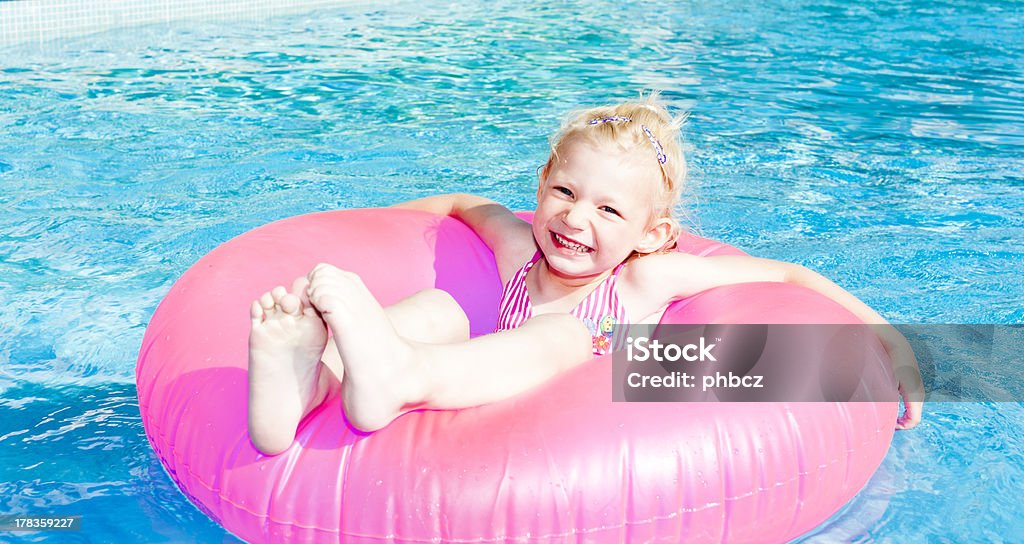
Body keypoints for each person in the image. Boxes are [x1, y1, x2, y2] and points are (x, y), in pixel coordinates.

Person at [247, 96, 924, 455]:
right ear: (542, 185)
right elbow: (463, 204)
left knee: (569, 339)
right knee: (438, 307)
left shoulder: (642, 283)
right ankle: (313, 375)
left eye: (608, 209)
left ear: (651, 234)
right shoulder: (519, 254)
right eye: (565, 193)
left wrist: (890, 340)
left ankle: (397, 378)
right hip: (475, 370)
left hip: (571, 411)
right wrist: (358, 224)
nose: (576, 220)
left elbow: (789, 276)